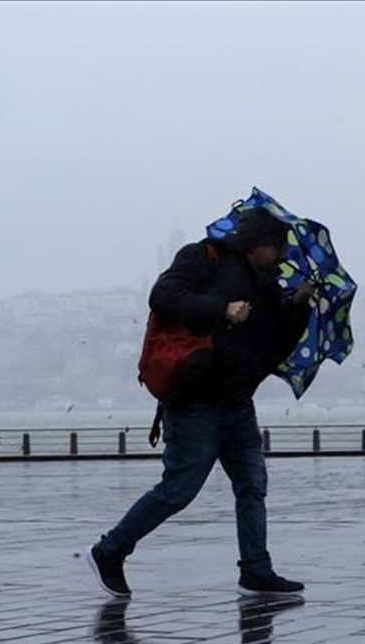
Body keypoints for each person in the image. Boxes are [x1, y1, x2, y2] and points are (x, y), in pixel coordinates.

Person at [85, 207, 312, 598]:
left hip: (238, 404)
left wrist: (297, 307)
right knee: (178, 490)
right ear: (256, 245)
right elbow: (163, 296)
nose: (283, 257)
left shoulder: (269, 287)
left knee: (252, 485)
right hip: (195, 403)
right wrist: (221, 310)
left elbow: (274, 349)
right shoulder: (201, 258)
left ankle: (256, 570)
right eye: (278, 247)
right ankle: (110, 550)